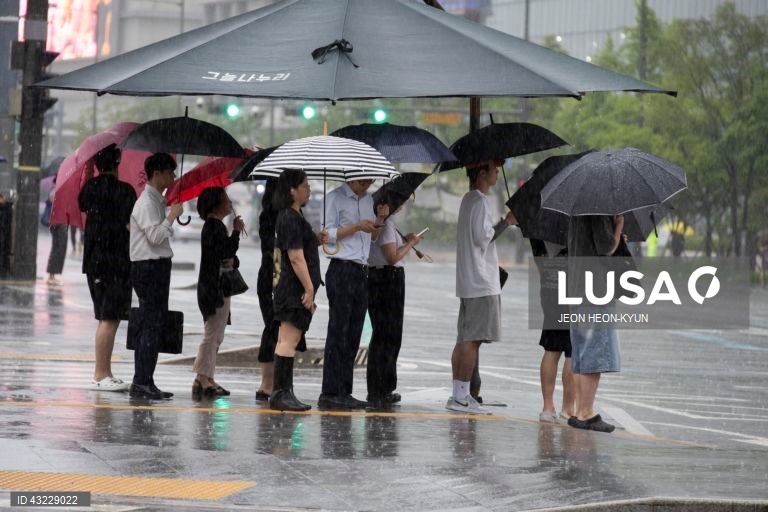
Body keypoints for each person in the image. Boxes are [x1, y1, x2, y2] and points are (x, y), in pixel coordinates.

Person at [447, 160, 516, 414]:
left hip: (470, 281)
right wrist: (507, 221)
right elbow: (483, 237)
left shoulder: (468, 200)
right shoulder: (480, 201)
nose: (497, 172)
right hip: (481, 281)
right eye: (493, 169)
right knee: (472, 341)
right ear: (481, 173)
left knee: (464, 339)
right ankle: (461, 397)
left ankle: (459, 394)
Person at [318, 179, 389, 410]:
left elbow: (373, 237)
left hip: (361, 270)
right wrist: (356, 227)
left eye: (370, 180)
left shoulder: (368, 200)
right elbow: (326, 235)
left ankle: (344, 391)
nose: (367, 183)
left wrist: (379, 220)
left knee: (354, 333)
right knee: (338, 332)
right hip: (341, 268)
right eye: (363, 179)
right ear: (351, 176)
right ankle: (330, 391)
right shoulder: (334, 198)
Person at [79, 143, 137, 391]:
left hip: (95, 263)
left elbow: (83, 203)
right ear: (118, 162)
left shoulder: (90, 189)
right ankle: (100, 374)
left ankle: (105, 372)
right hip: (116, 263)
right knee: (109, 318)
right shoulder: (125, 191)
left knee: (107, 317)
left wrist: (88, 174)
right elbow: (132, 221)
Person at [128, 152, 184, 400]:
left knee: (154, 324)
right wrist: (171, 217)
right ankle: (141, 382)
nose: (173, 176)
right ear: (157, 173)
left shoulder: (156, 201)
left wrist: (170, 214)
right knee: (151, 325)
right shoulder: (146, 203)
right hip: (148, 268)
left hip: (157, 266)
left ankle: (146, 380)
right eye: (170, 172)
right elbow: (155, 237)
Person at [270, 169, 324, 411]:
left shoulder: (292, 216)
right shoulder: (290, 218)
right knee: (288, 340)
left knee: (286, 339)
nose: (308, 189)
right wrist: (309, 288)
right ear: (292, 190)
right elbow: (295, 257)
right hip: (292, 290)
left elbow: (300, 247)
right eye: (305, 185)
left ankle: (284, 392)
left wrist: (316, 239)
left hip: (288, 289)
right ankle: (281, 394)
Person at [566, 214, 624, 433]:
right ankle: (586, 412)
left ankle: (579, 410)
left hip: (576, 289)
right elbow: (606, 248)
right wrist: (618, 228)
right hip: (595, 291)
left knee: (581, 356)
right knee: (594, 354)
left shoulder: (576, 214)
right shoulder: (598, 212)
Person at [366, 192, 423, 409]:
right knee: (388, 335)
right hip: (388, 278)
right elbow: (392, 257)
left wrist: (405, 240)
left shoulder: (385, 224)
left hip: (379, 277)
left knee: (383, 334)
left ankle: (380, 387)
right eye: (402, 200)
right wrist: (412, 243)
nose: (403, 204)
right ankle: (381, 388)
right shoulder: (386, 224)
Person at [191, 186, 245, 397]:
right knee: (212, 334)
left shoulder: (216, 226)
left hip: (216, 287)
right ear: (215, 204)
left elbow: (227, 257)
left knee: (216, 334)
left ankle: (206, 376)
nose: (229, 202)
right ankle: (203, 377)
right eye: (225, 198)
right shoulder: (213, 226)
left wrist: (233, 258)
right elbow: (226, 251)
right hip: (213, 288)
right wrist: (236, 231)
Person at [530, 239, 576, 423]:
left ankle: (547, 408)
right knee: (573, 351)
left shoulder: (541, 227)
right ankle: (568, 409)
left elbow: (539, 261)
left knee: (552, 348)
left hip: (550, 287)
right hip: (575, 287)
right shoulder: (579, 224)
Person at [255, 178, 278, 402]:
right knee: (273, 327)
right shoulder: (272, 216)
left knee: (278, 329)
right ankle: (267, 383)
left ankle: (274, 383)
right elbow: (274, 249)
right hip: (273, 276)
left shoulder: (289, 214)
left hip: (275, 276)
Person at [45, 177, 67, 286]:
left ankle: (52, 275)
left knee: (59, 248)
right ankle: (51, 275)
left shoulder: (57, 191)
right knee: (57, 249)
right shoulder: (56, 192)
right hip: (58, 223)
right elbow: (57, 206)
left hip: (59, 223)